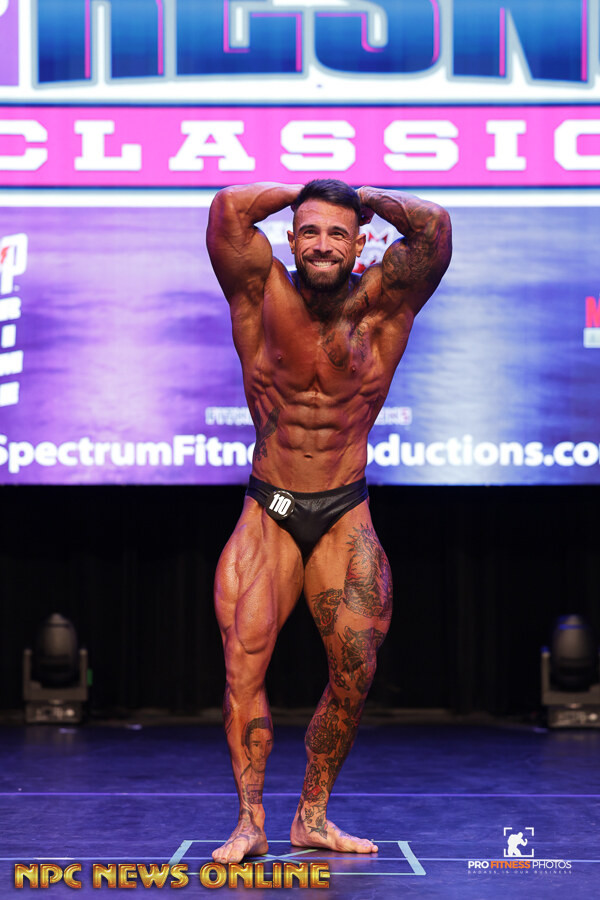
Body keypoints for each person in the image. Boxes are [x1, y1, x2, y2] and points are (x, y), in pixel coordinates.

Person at [206, 179, 452, 864]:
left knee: (355, 671)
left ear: (360, 242)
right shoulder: (259, 290)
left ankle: (311, 815)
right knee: (242, 668)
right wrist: (304, 192)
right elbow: (228, 209)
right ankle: (250, 822)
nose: (321, 245)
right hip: (271, 508)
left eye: (337, 233)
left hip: (343, 509)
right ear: (290, 238)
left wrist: (364, 194)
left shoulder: (385, 304)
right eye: (309, 231)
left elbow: (435, 228)